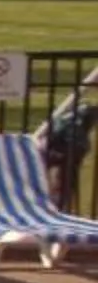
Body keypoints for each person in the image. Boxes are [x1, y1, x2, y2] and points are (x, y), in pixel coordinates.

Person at [38, 65, 98, 204]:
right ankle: (57, 202)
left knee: (62, 176)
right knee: (64, 177)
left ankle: (56, 203)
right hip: (67, 145)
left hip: (65, 145)